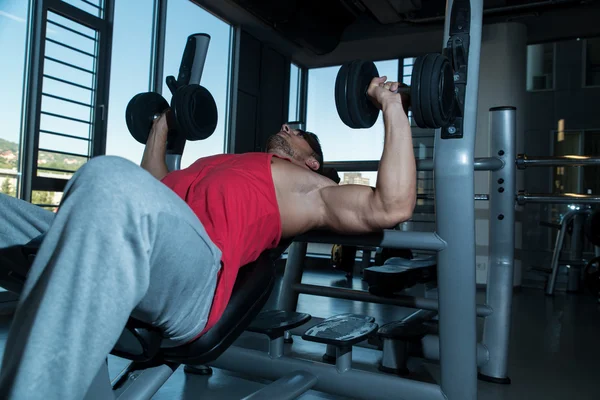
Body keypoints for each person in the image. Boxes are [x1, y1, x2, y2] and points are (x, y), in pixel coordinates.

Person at [0, 76, 415, 399]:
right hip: (147, 249)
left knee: (108, 175)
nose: (286, 126)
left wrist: (391, 105)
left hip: (197, 279)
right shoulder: (219, 162)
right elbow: (150, 189)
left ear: (311, 160)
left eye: (297, 131)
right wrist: (164, 121)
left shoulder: (309, 187)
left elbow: (391, 206)